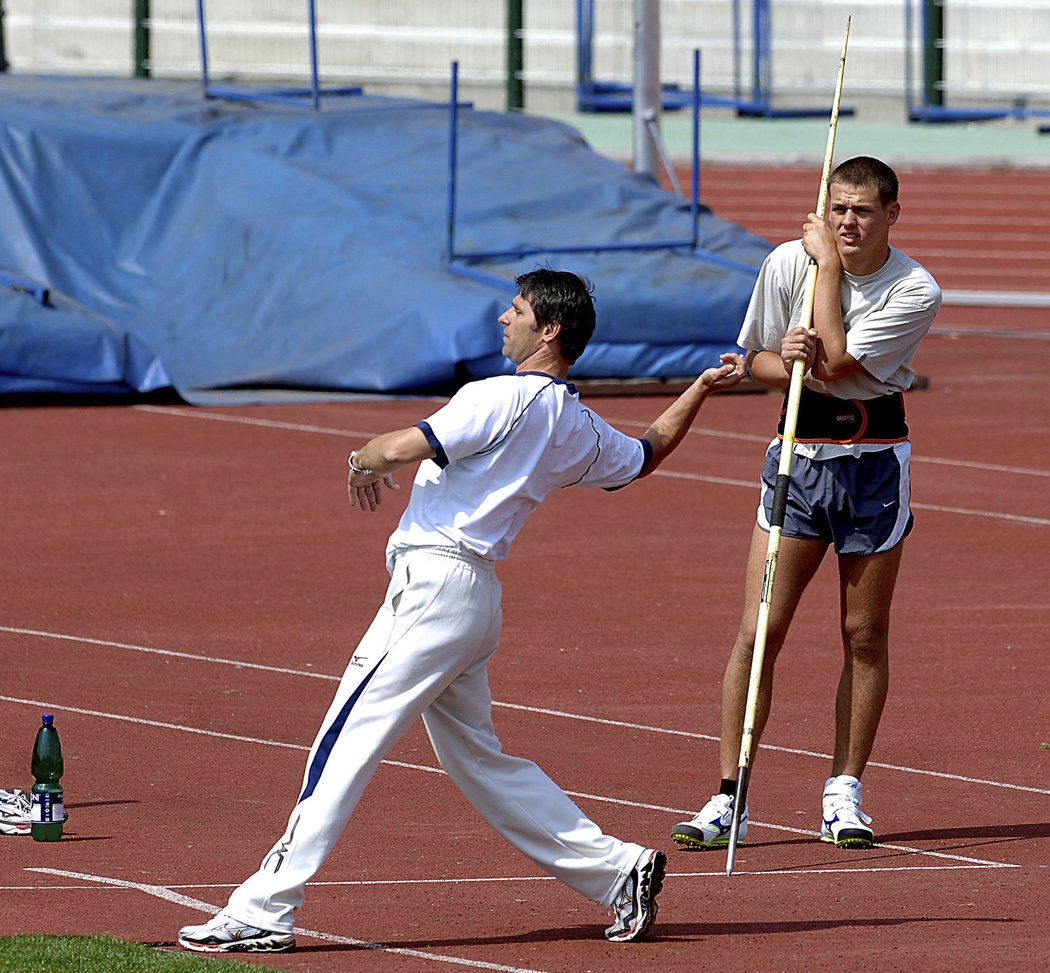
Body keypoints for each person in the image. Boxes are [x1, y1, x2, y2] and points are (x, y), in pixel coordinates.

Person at [178, 268, 746, 953]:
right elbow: (646, 452)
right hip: (474, 599)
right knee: (482, 762)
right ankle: (617, 869)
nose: (502, 320)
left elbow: (395, 448)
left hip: (436, 588)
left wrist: (359, 459)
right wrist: (701, 388)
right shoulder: (577, 423)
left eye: (515, 311)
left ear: (549, 329)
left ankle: (265, 907)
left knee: (344, 740)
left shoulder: (498, 396)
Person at [671, 157, 941, 853]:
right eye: (838, 208)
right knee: (761, 629)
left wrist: (824, 275)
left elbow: (843, 363)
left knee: (863, 632)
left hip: (873, 469)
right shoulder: (785, 262)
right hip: (797, 461)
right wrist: (779, 354)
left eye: (863, 212)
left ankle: (842, 791)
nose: (847, 223)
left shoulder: (913, 288)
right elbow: (756, 361)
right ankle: (730, 794)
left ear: (891, 216)